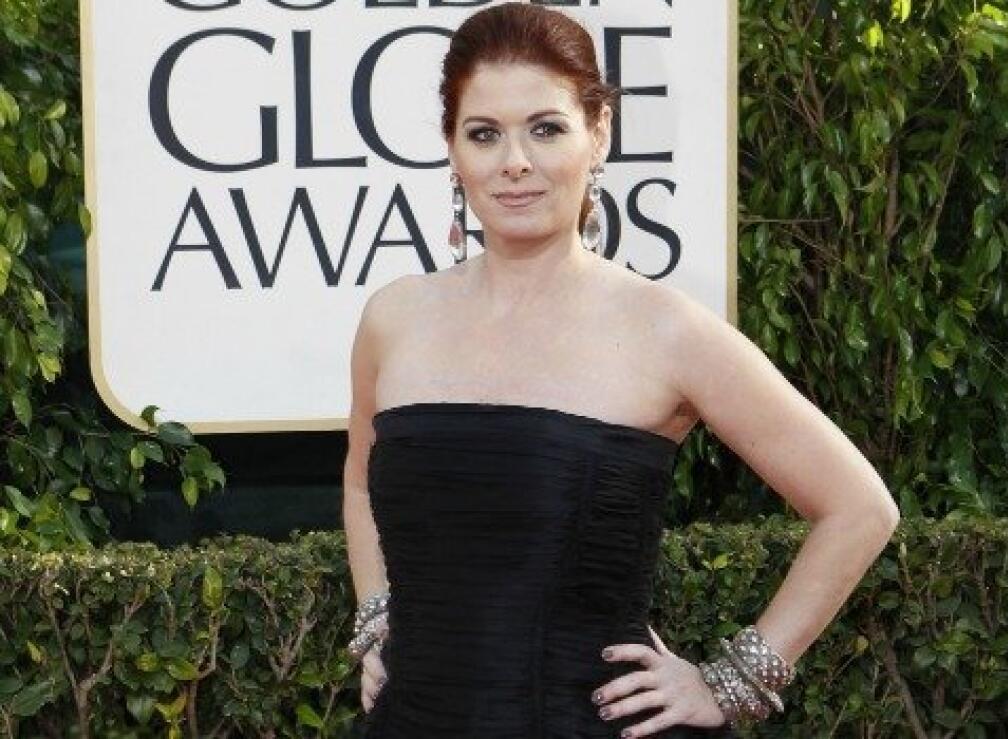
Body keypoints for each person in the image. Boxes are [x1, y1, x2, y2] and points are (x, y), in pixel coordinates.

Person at [341, 3, 899, 737]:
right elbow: (358, 478)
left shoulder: (666, 330)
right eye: (484, 133)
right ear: (453, 149)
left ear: (598, 134)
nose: (515, 161)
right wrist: (378, 616)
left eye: (546, 128)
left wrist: (734, 681)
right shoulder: (395, 317)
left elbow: (860, 508)